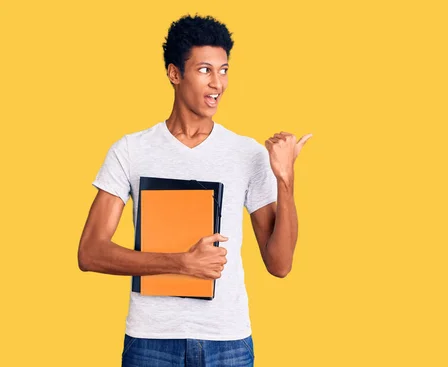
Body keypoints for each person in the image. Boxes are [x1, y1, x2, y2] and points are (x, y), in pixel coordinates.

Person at [77, 14, 312, 367]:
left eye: (224, 70)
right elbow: (90, 252)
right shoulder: (130, 150)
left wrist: (285, 179)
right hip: (151, 342)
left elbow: (280, 265)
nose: (218, 83)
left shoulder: (246, 153)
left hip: (227, 342)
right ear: (174, 74)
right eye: (204, 70)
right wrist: (182, 263)